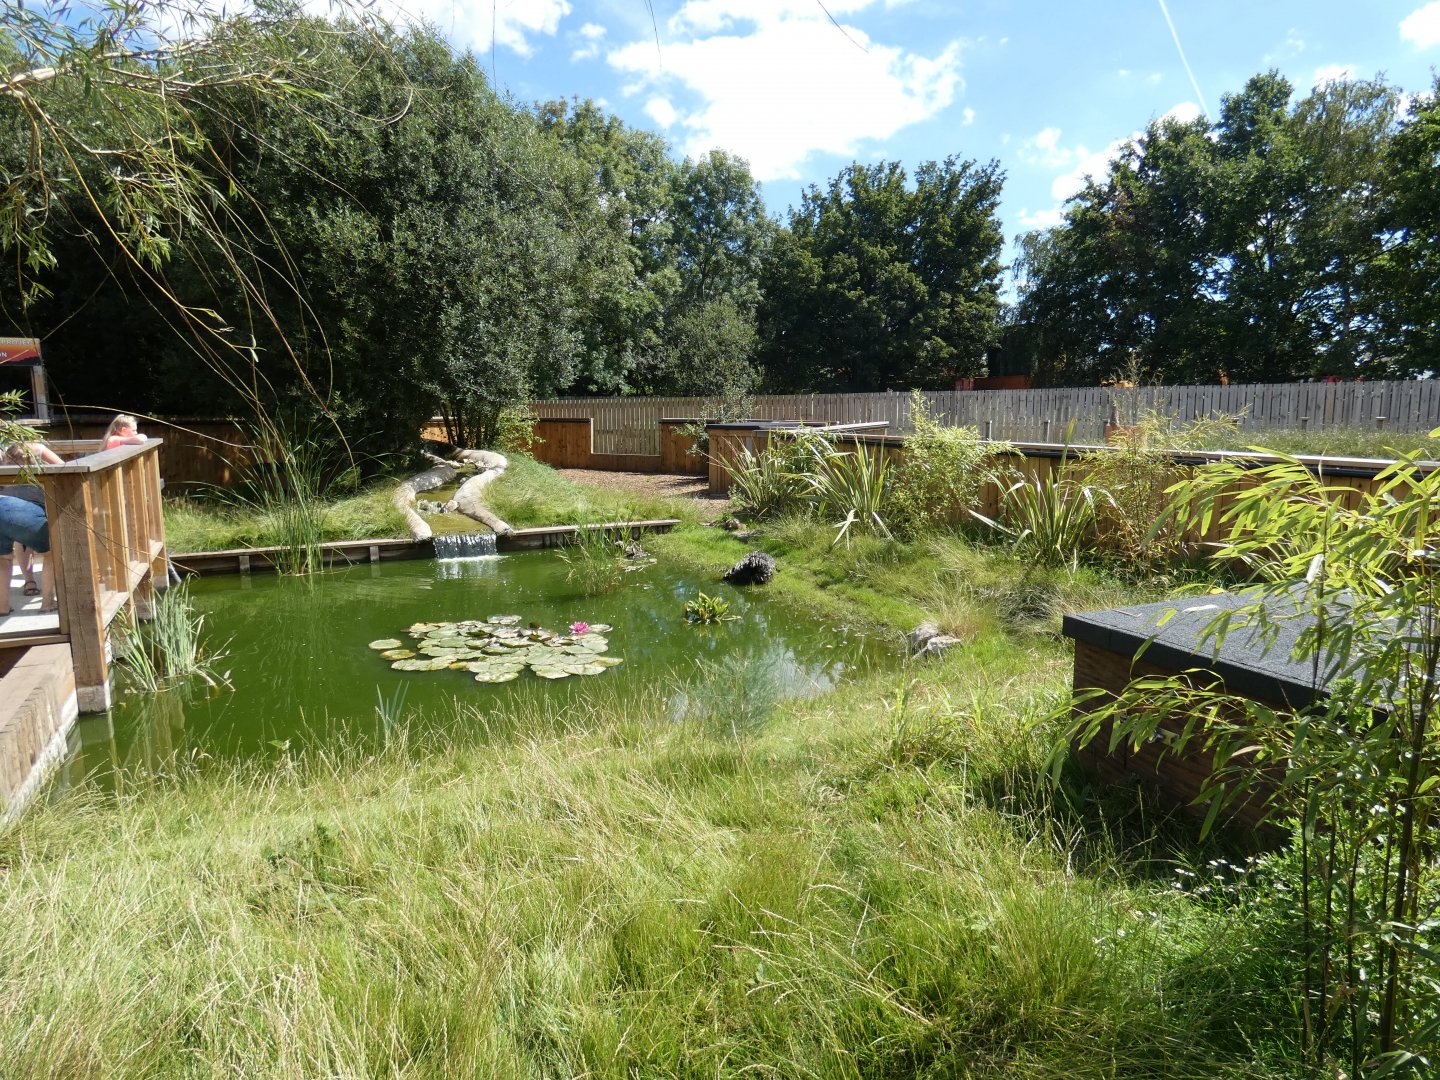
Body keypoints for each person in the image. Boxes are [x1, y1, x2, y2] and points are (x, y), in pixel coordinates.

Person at [2, 440, 62, 606]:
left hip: (4, 504)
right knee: (52, 553)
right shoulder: (37, 448)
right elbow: (63, 468)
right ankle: (47, 603)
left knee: (7, 556)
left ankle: (7, 603)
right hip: (31, 509)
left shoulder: (5, 456)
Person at [0, 494, 55, 616]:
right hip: (24, 510)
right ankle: (47, 603)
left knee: (3, 559)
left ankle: (2, 607)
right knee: (52, 554)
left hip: (3, 501)